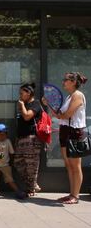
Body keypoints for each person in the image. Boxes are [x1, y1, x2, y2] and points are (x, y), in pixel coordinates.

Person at [43, 72, 87, 204]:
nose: (63, 82)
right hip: (65, 131)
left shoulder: (78, 95)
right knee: (68, 165)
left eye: (65, 80)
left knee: (75, 165)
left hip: (74, 131)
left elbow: (66, 115)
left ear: (73, 81)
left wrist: (56, 112)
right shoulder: (69, 97)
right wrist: (48, 104)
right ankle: (71, 194)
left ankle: (75, 196)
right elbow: (58, 114)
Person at [14, 83, 43, 197]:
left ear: (28, 93)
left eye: (22, 93)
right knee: (18, 163)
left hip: (32, 139)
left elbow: (27, 116)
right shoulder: (25, 104)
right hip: (21, 139)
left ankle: (31, 189)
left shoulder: (35, 104)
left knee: (31, 166)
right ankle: (32, 184)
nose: (20, 96)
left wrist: (21, 106)